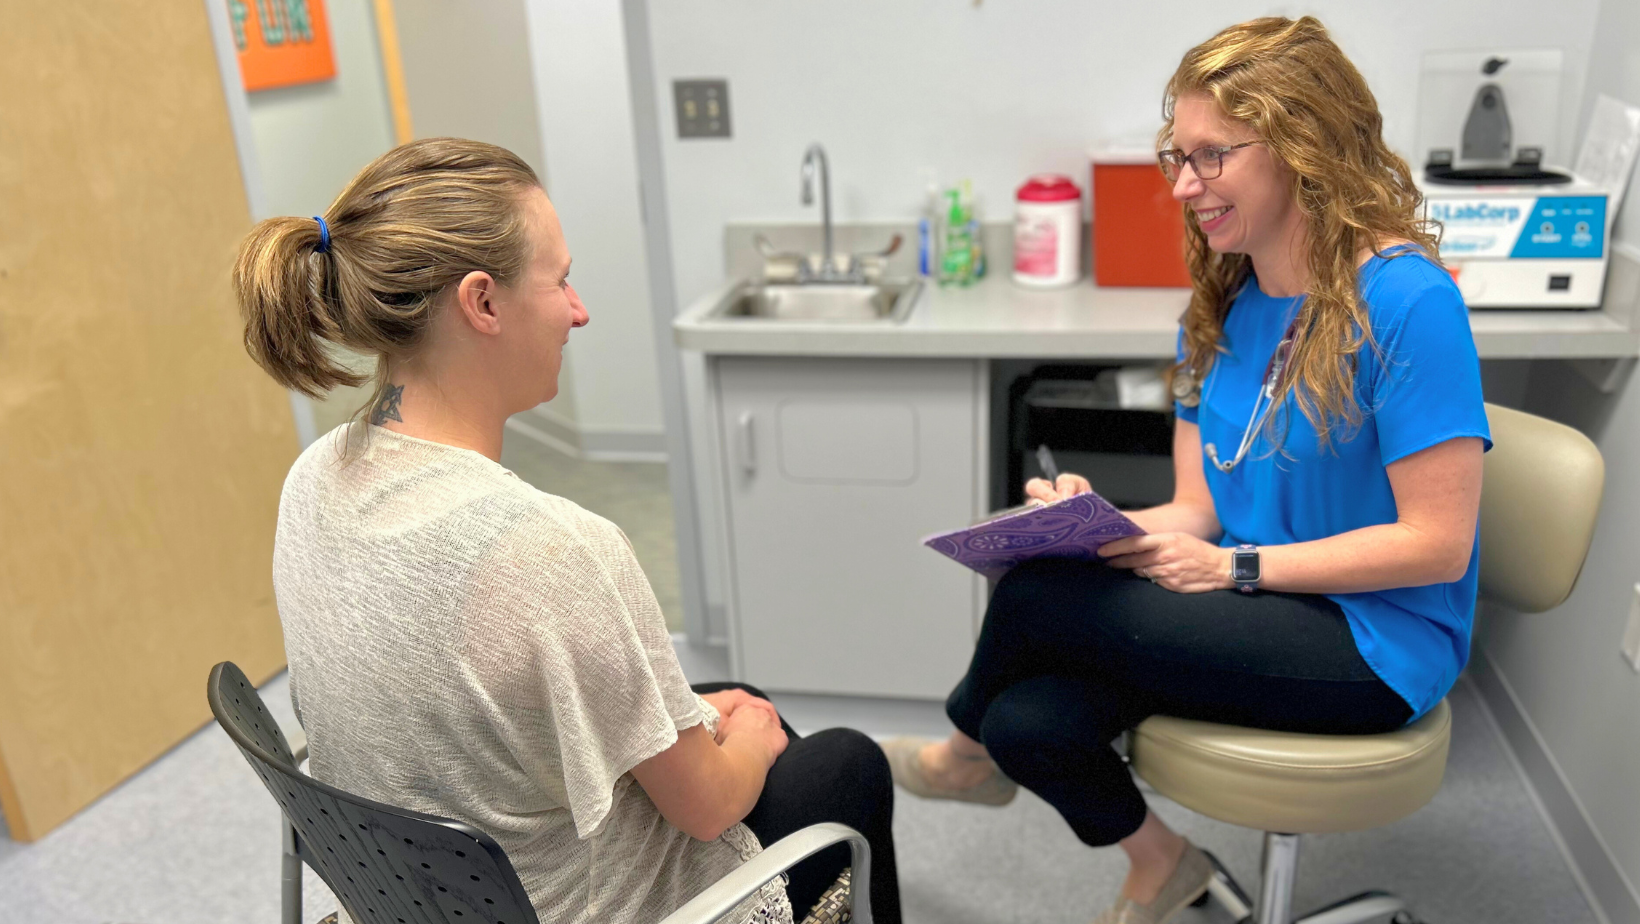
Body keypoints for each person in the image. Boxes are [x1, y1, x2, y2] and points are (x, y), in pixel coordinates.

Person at [881, 16, 1490, 924]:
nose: (1182, 186)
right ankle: (1158, 862)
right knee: (1032, 720)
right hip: (1249, 601)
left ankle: (958, 757)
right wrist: (1097, 522)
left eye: (1211, 158)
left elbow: (1437, 547)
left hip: (1372, 641)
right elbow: (1198, 511)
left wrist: (1234, 569)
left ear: (1302, 144)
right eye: (1176, 157)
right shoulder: (1220, 307)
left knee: (1041, 603)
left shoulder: (1406, 301)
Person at [234, 137, 900, 924]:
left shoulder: (312, 478)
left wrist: (692, 713)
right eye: (561, 280)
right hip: (571, 906)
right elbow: (707, 807)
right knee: (843, 761)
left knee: (728, 701)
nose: (578, 311)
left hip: (411, 891)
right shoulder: (550, 550)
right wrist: (750, 738)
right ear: (482, 303)